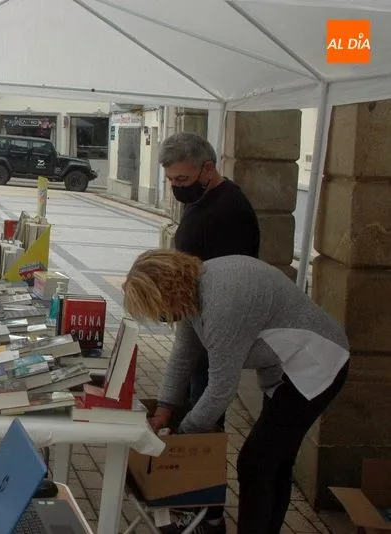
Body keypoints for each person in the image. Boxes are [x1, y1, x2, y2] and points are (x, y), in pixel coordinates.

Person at [122, 250, 348, 534]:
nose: (165, 319)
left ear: (167, 292)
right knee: (275, 462)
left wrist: (180, 438)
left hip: (317, 365)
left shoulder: (221, 303)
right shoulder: (193, 291)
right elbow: (182, 357)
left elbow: (221, 389)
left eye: (160, 311)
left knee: (255, 463)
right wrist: (165, 409)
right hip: (286, 371)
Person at [160, 131, 260, 531]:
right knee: (193, 405)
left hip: (216, 326)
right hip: (198, 321)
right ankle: (194, 502)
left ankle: (208, 513)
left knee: (206, 418)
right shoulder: (201, 200)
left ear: (208, 169)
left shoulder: (230, 209)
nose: (175, 188)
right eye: (169, 181)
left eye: (181, 181)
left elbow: (230, 280)